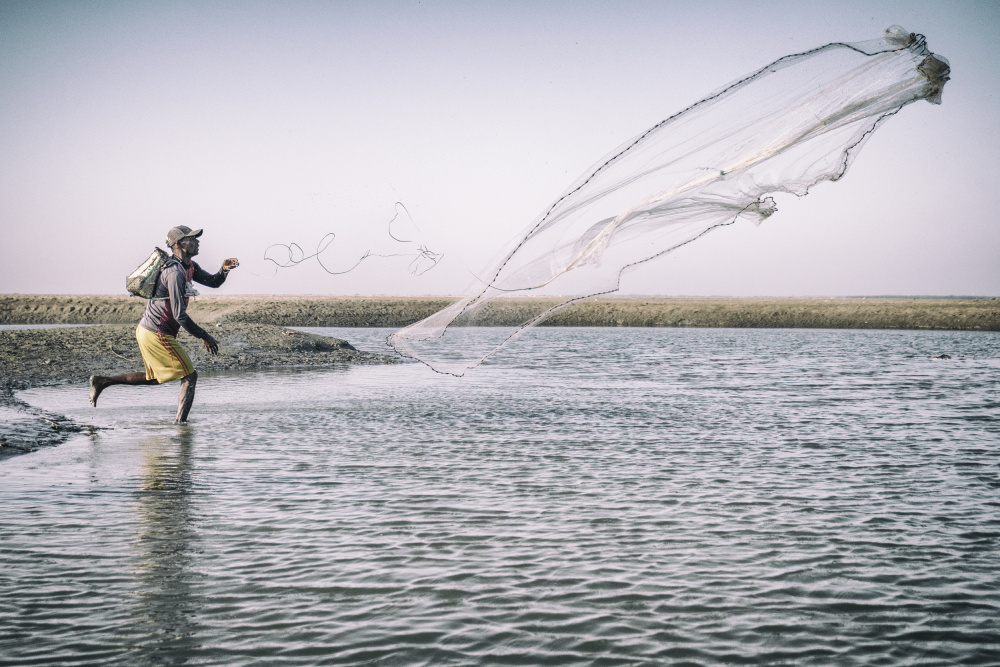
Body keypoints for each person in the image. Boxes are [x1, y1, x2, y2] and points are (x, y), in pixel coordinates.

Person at [89, 226, 239, 423]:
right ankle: (181, 427)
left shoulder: (189, 266)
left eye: (196, 238)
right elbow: (179, 315)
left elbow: (213, 282)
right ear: (177, 244)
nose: (197, 242)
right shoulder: (174, 272)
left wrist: (224, 270)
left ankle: (102, 381)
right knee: (189, 376)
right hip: (156, 333)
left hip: (149, 331)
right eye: (191, 239)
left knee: (155, 377)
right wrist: (204, 335)